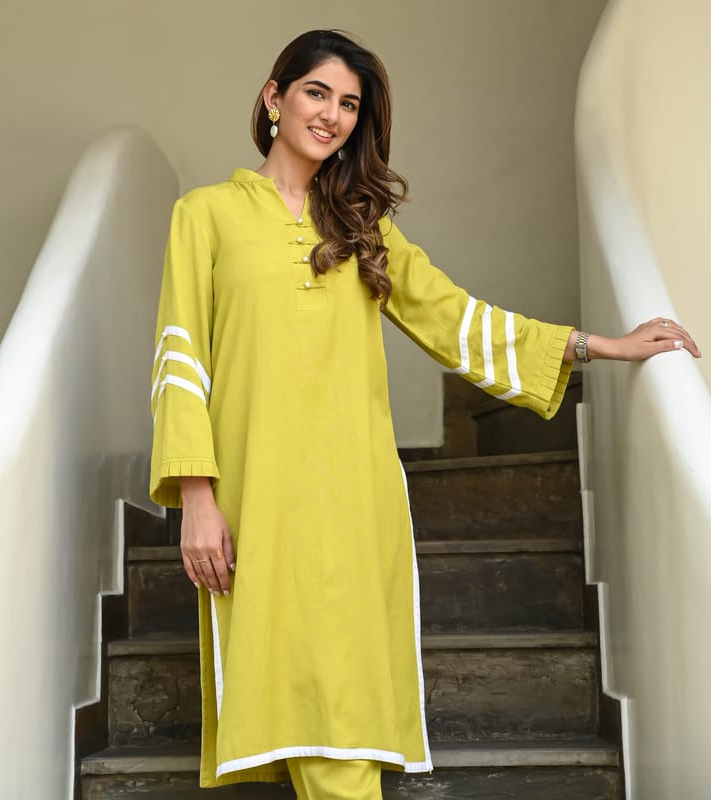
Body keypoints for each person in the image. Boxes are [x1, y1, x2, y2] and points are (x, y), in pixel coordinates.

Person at [149, 29, 700, 800]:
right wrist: (197, 498)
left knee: (345, 710)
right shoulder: (204, 215)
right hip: (255, 493)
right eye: (316, 93)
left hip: (355, 497)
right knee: (292, 701)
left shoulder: (361, 229)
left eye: (349, 104)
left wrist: (595, 344)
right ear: (274, 97)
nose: (332, 115)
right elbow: (181, 360)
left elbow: (452, 319)